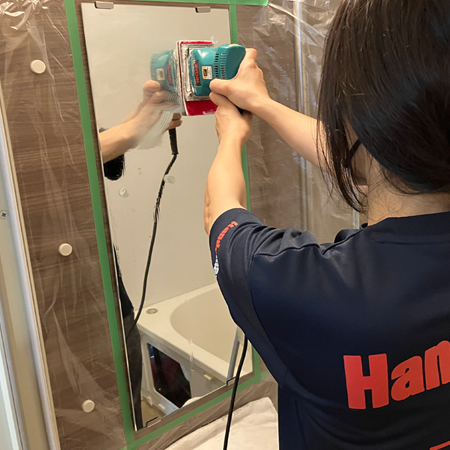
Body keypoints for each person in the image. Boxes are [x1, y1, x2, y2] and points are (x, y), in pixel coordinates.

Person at [204, 1, 450, 449]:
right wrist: (263, 104)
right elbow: (372, 159)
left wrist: (231, 136)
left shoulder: (294, 286)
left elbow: (218, 212)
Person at [99, 79, 181, 429]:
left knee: (127, 417)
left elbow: (97, 157)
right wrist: (135, 128)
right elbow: (45, 163)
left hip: (112, 301)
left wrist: (140, 119)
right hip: (80, 311)